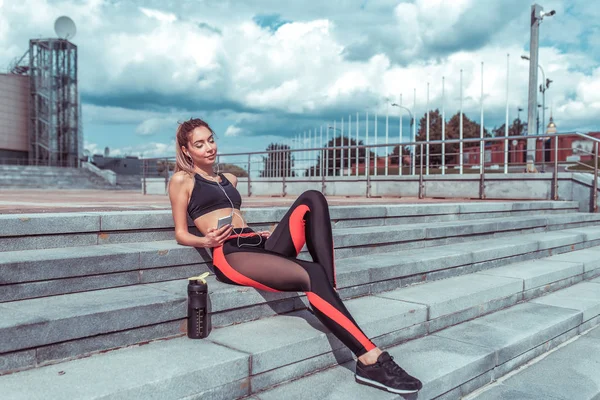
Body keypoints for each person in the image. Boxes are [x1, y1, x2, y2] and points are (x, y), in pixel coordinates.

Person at [168, 118, 422, 395]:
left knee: (313, 198)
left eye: (211, 140)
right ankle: (369, 359)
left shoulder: (229, 179)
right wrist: (205, 239)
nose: (209, 148)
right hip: (231, 254)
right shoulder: (183, 180)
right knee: (312, 273)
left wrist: (260, 234)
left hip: (256, 244)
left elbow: (237, 217)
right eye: (199, 144)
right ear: (186, 150)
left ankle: (328, 294)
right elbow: (180, 233)